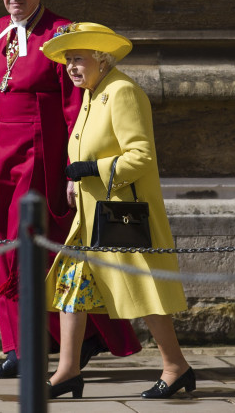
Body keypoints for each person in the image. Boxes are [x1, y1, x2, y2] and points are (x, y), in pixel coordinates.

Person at [0, 0, 141, 379]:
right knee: (7, 250)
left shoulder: (62, 33)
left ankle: (54, 344)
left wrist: (72, 170)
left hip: (40, 155)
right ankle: (23, 345)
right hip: (4, 157)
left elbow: (73, 107)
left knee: (33, 252)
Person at [39, 22, 195, 399]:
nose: (71, 67)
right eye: (67, 61)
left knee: (144, 292)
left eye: (78, 59)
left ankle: (176, 366)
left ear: (101, 58)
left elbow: (140, 156)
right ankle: (68, 370)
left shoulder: (122, 91)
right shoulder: (94, 93)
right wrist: (75, 181)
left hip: (121, 215)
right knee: (71, 286)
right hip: (91, 216)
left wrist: (94, 170)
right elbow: (87, 147)